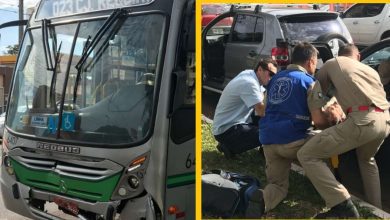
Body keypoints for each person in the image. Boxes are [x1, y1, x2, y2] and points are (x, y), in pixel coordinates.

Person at [297, 43, 390, 218]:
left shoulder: (333, 63)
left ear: (340, 55)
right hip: (384, 121)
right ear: (358, 57)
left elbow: (317, 95)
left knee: (307, 155)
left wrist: (322, 123)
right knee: (367, 160)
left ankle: (341, 204)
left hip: (362, 121)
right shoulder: (371, 71)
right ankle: (376, 210)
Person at [245, 42, 336, 218]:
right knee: (327, 141)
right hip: (293, 141)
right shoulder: (309, 82)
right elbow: (318, 120)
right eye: (316, 62)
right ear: (310, 62)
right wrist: (332, 121)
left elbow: (263, 109)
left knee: (278, 185)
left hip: (268, 141)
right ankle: (327, 193)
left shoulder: (274, 80)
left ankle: (263, 199)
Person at [212, 58, 277, 158]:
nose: (272, 78)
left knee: (268, 120)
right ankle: (229, 147)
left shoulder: (250, 74)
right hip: (226, 130)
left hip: (227, 124)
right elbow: (261, 111)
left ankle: (262, 150)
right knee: (270, 131)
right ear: (260, 69)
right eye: (270, 74)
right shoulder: (249, 83)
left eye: (274, 76)